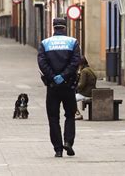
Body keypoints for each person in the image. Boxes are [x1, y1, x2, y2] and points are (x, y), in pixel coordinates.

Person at [38, 18, 81, 158]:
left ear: (53, 28)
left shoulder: (45, 43)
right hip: (69, 86)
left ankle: (58, 149)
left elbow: (42, 63)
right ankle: (68, 142)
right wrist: (64, 76)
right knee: (70, 115)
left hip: (52, 87)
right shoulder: (73, 42)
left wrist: (53, 77)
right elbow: (75, 62)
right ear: (65, 28)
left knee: (53, 117)